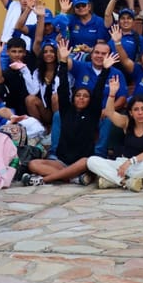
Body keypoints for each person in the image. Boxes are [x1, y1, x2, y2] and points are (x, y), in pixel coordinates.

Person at [22, 38, 108, 186]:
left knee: (86, 162)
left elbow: (99, 92)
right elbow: (62, 87)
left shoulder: (92, 114)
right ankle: (71, 178)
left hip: (81, 162)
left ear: (90, 100)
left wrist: (105, 70)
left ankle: (45, 179)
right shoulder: (65, 112)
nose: (81, 98)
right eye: (78, 95)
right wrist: (62, 61)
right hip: (62, 162)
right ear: (73, 98)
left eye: (85, 96)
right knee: (33, 164)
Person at [87, 85, 143, 191]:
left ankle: (116, 180)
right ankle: (126, 181)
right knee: (91, 161)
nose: (140, 113)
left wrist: (131, 161)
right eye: (136, 109)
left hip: (141, 165)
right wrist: (112, 94)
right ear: (131, 113)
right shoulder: (126, 122)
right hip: (123, 163)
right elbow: (109, 113)